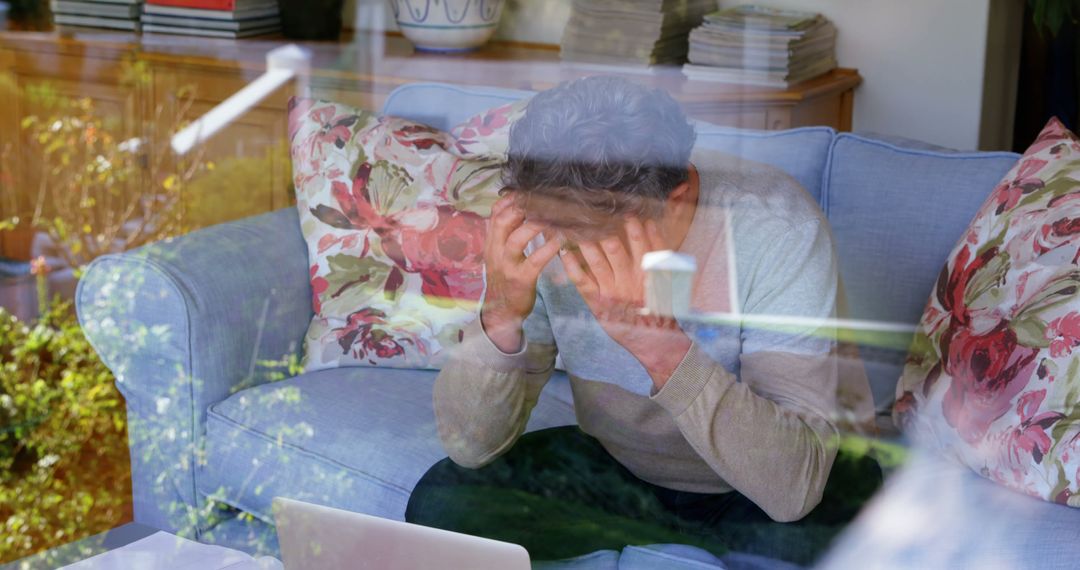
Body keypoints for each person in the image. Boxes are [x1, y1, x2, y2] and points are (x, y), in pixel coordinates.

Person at [405, 76, 879, 565]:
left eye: (586, 239)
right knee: (443, 502)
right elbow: (471, 447)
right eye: (550, 232)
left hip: (773, 481)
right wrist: (500, 316)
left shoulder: (777, 230)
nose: (560, 256)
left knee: (805, 546)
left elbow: (790, 488)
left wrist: (656, 346)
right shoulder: (544, 220)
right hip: (622, 469)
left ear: (673, 200)